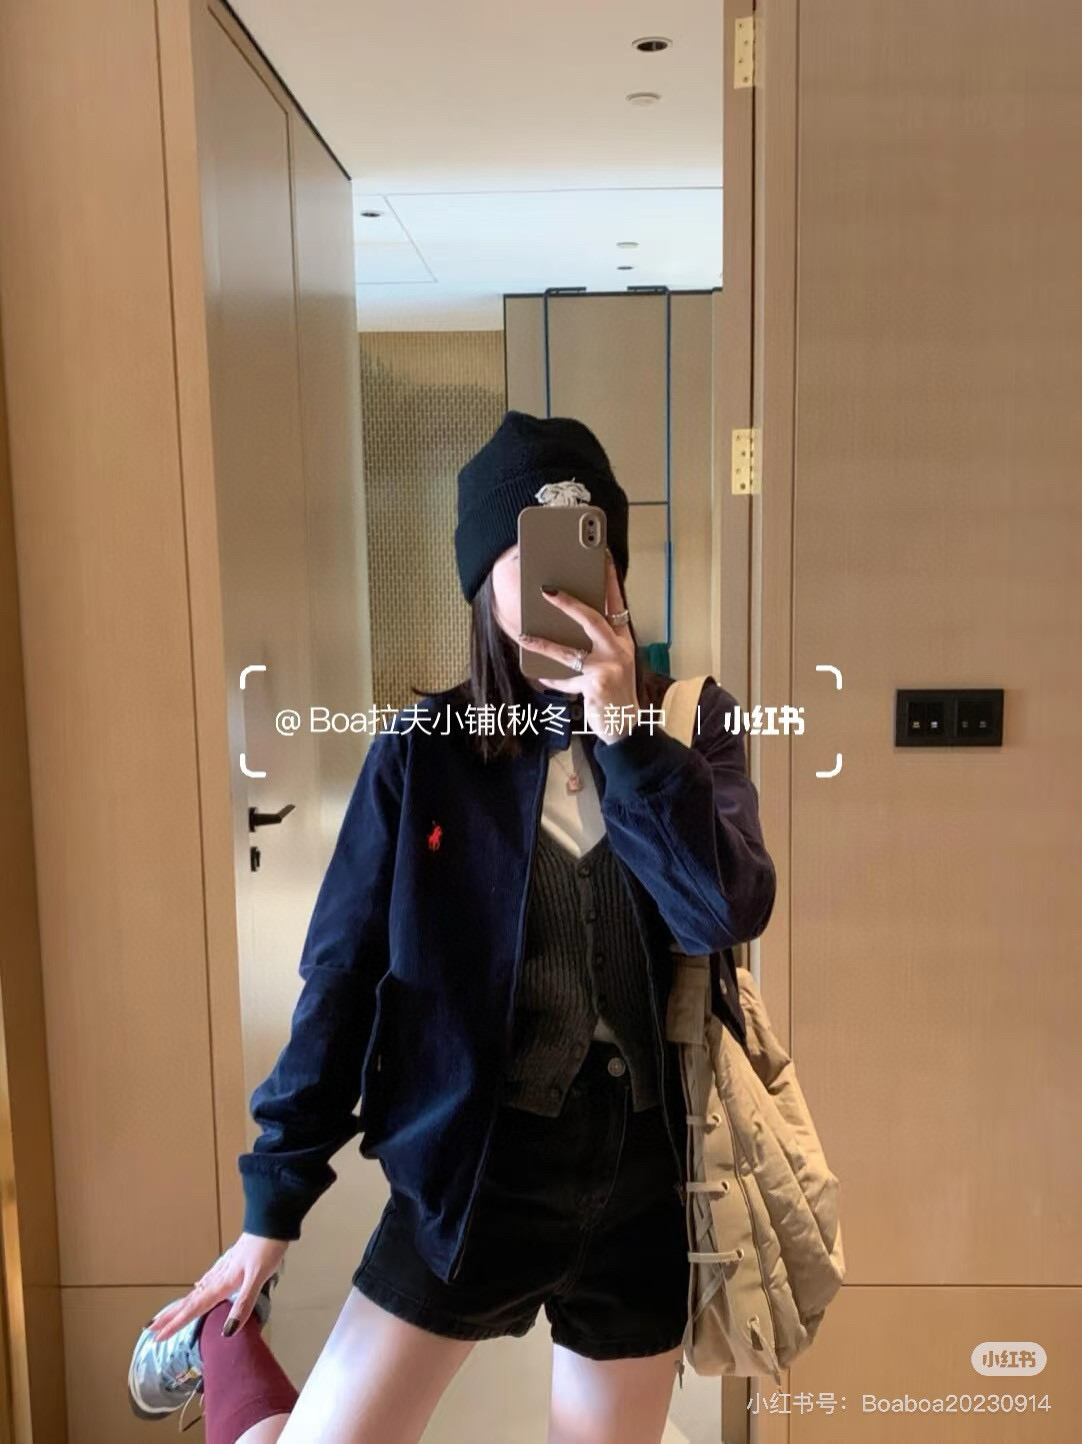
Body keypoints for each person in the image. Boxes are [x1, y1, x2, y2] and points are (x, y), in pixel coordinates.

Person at [127, 410, 776, 1444]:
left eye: (590, 545)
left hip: (642, 1188)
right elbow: (341, 977)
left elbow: (723, 909)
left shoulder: (691, 725)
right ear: (483, 582)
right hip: (474, 1174)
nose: (568, 583)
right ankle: (230, 1362)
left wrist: (623, 734)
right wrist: (271, 1206)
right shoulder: (423, 753)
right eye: (531, 553)